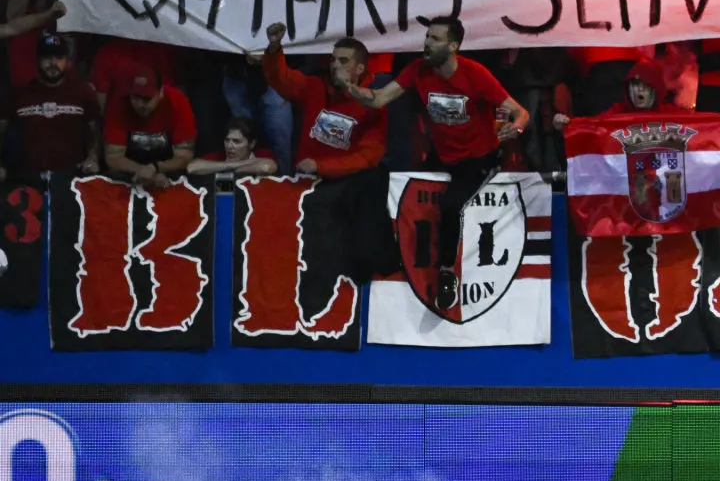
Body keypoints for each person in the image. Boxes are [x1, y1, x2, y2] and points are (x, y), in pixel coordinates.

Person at [334, 18, 529, 309]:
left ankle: (447, 273)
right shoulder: (417, 70)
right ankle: (389, 259)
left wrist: (517, 128)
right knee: (394, 189)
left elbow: (521, 113)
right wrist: (350, 89)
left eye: (435, 39)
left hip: (477, 156)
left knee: (450, 205)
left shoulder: (475, 74)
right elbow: (378, 100)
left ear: (453, 46)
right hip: (441, 155)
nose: (427, 43)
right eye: (427, 36)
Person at [262, 26, 388, 178]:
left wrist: (320, 167)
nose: (335, 65)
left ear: (360, 69)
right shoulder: (315, 86)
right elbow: (281, 79)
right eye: (333, 60)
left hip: (345, 184)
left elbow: (368, 157)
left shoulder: (372, 105)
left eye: (343, 61)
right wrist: (274, 50)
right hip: (306, 181)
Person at [0, 31, 99, 180]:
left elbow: (95, 131)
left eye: (59, 58)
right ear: (38, 60)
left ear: (67, 61)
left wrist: (93, 158)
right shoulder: (18, 93)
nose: (53, 63)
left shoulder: (84, 92)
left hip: (71, 178)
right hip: (26, 178)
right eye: (47, 57)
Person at [102, 68, 197, 190]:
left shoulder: (177, 101)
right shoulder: (118, 103)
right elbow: (113, 157)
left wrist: (154, 168)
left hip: (167, 169)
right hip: (129, 170)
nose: (140, 104)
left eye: (147, 98)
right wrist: (143, 171)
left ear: (161, 92)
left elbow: (184, 156)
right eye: (135, 97)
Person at [186, 117, 279, 178]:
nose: (229, 146)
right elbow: (191, 167)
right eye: (227, 140)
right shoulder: (219, 155)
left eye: (236, 141)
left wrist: (231, 168)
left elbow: (266, 167)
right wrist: (230, 165)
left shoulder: (262, 154)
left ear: (252, 144)